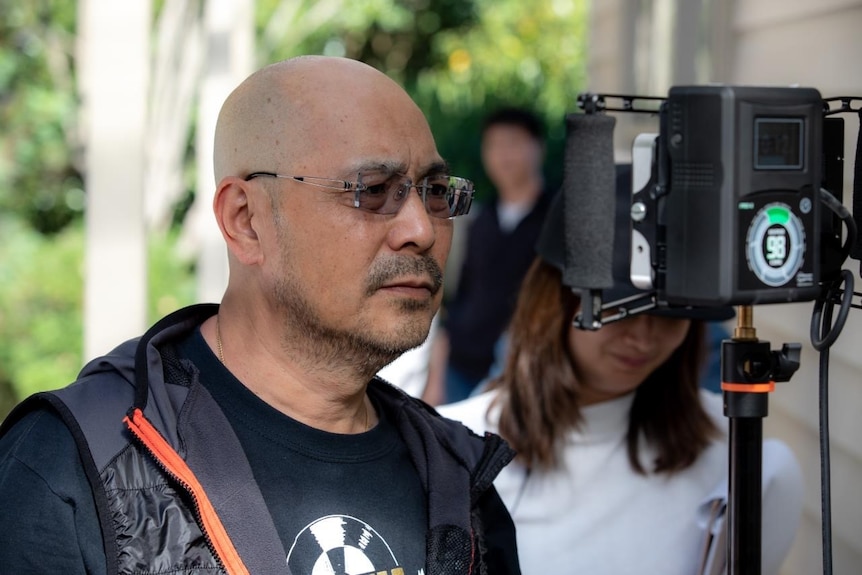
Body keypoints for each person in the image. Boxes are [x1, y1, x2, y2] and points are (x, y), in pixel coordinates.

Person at [0, 56, 521, 575]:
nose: (422, 230)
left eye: (433, 192)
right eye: (373, 191)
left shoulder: (460, 482)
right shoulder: (78, 466)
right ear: (245, 221)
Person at [439, 187, 804, 574]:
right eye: (619, 309)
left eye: (671, 313)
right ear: (556, 300)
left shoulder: (738, 457)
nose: (644, 338)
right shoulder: (453, 450)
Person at [426, 107, 554, 405]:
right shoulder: (480, 219)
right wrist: (435, 380)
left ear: (538, 148)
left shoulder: (557, 220)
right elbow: (459, 299)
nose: (503, 155)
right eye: (493, 145)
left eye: (512, 143)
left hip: (520, 374)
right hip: (459, 367)